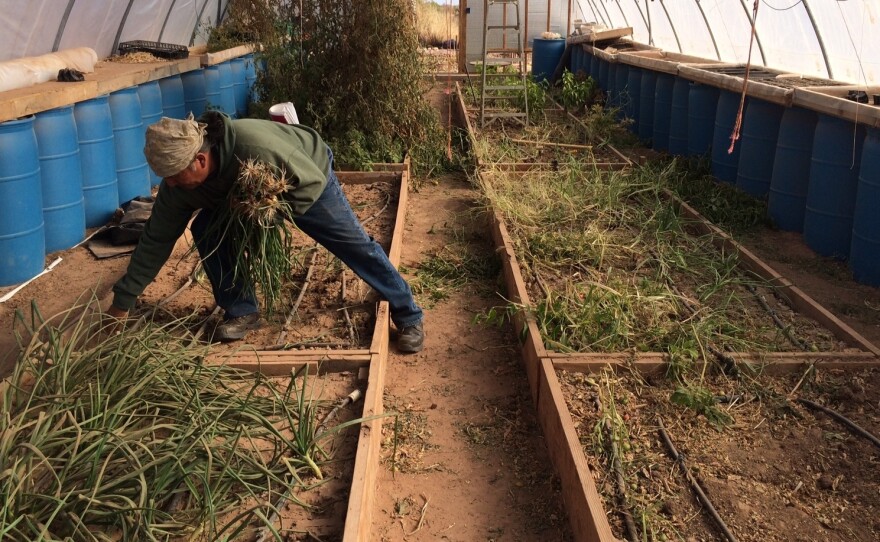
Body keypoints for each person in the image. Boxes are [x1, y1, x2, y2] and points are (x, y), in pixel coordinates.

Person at [107, 111, 425, 353]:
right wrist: (122, 303)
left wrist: (267, 213)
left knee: (352, 243)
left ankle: (407, 312)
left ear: (199, 160)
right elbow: (156, 240)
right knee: (205, 228)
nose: (171, 186)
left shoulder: (255, 149)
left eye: (175, 178)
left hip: (304, 175)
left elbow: (309, 182)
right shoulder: (178, 186)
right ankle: (242, 310)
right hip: (241, 196)